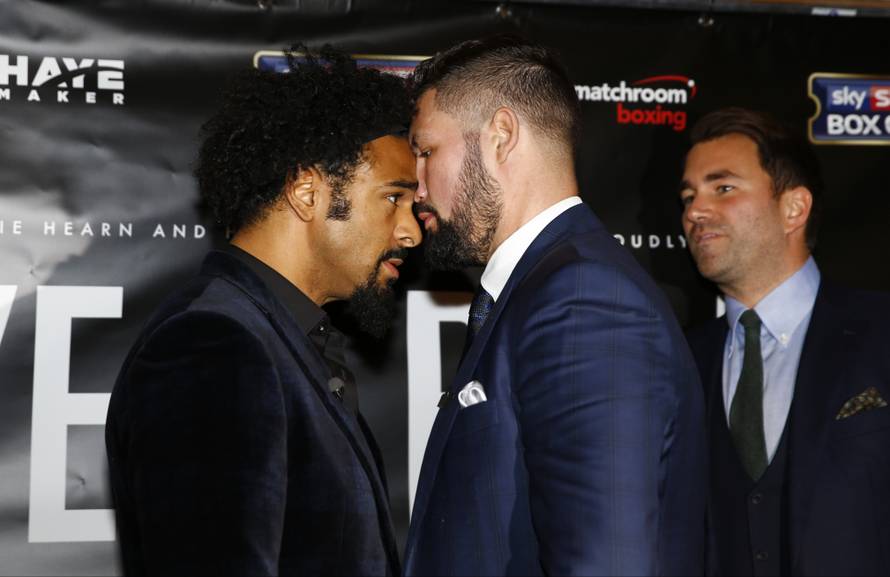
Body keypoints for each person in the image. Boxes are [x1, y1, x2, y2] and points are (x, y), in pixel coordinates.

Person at [105, 46, 420, 576]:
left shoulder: (277, 337)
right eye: (393, 198)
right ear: (306, 192)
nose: (412, 231)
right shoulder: (211, 345)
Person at [404, 34, 707, 576]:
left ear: (501, 135)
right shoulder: (542, 289)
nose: (417, 186)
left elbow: (608, 563)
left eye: (427, 151)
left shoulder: (584, 301)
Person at [680, 107, 890, 576]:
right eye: (689, 195)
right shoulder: (681, 363)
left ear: (793, 207)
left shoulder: (881, 333)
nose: (695, 210)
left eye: (723, 188)